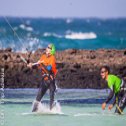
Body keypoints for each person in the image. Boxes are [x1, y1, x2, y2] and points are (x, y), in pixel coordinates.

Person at [27, 44, 57, 111]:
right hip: (44, 81)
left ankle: (52, 111)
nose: (47, 50)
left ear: (52, 51)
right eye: (47, 48)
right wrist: (31, 66)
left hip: (51, 80)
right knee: (38, 98)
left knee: (51, 97)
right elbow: (38, 66)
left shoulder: (52, 58)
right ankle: (34, 111)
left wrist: (42, 64)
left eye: (49, 49)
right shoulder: (43, 57)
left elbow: (49, 68)